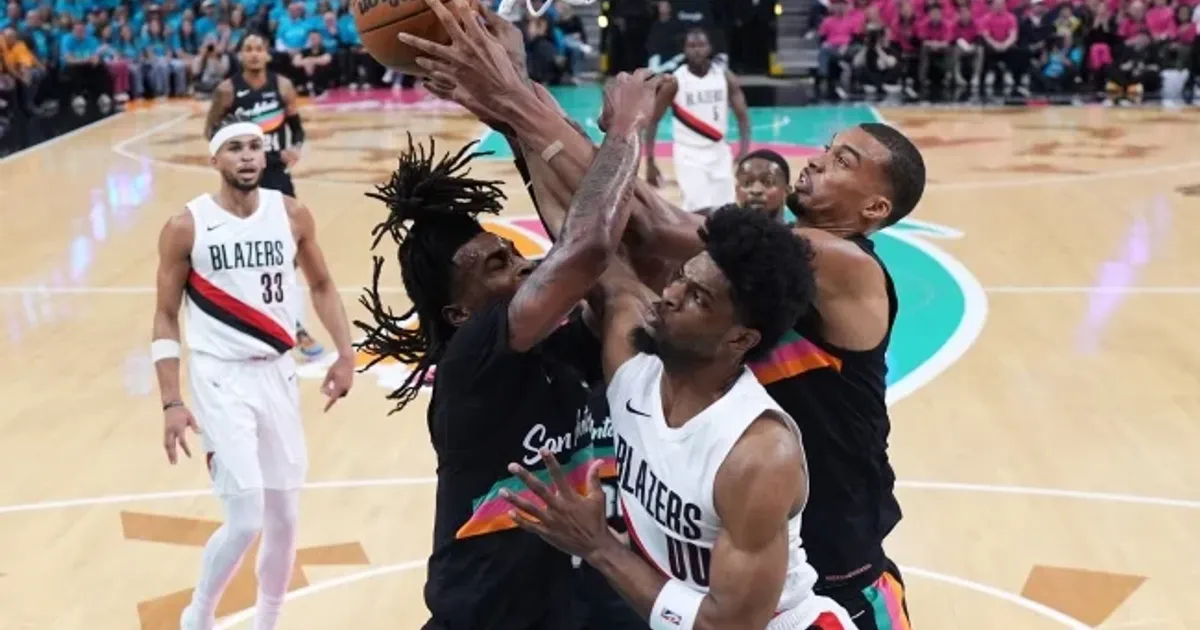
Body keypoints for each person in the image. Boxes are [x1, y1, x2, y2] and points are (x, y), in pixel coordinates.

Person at [353, 67, 664, 629]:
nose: (525, 265)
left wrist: (518, 113)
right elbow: (587, 246)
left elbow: (607, 262)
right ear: (459, 314)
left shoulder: (560, 350)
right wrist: (624, 130)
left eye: (515, 252)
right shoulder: (471, 362)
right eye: (498, 265)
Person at [502, 206, 856, 629]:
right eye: (681, 276)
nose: (670, 295)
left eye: (698, 298)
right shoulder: (633, 367)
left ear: (740, 338)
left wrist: (599, 547)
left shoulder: (755, 453)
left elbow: (728, 627)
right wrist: (539, 159)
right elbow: (591, 241)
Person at [150, 116, 355, 630]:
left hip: (278, 373)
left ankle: (268, 622)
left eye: (255, 147)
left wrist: (345, 353)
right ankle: (198, 616)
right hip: (220, 378)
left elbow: (323, 285)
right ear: (214, 158)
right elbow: (166, 314)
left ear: (265, 156)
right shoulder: (186, 226)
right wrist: (171, 401)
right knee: (245, 519)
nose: (246, 156)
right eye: (235, 148)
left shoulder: (291, 214)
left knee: (284, 520)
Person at [203, 32, 324, 360]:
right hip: (243, 178)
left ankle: (289, 321)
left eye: (259, 49)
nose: (254, 54)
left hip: (276, 174)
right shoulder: (227, 90)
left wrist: (294, 149)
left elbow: (297, 128)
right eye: (248, 49)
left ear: (268, 54)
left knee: (288, 252)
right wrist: (229, 156)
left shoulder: (282, 86)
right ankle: (264, 322)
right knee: (247, 251)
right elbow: (210, 130)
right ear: (241, 55)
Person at [644, 27, 751, 212]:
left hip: (719, 151)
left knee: (726, 210)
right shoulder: (675, 81)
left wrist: (744, 151)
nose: (697, 50)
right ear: (684, 50)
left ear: (709, 48)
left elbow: (742, 116)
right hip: (688, 153)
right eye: (691, 46)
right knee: (698, 210)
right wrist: (650, 161)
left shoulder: (724, 77)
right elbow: (653, 119)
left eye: (701, 45)